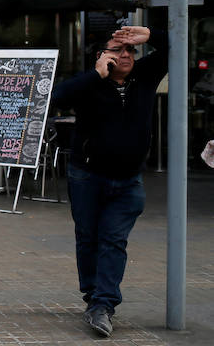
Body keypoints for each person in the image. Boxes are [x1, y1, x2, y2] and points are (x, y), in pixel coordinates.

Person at [51, 25, 167, 338]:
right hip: (87, 176)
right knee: (88, 237)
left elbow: (175, 48)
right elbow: (56, 97)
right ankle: (93, 297)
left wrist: (149, 34)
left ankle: (103, 303)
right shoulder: (90, 84)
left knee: (113, 240)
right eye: (117, 50)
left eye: (130, 50)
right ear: (102, 56)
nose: (126, 55)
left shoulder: (144, 77)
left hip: (128, 181)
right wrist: (96, 75)